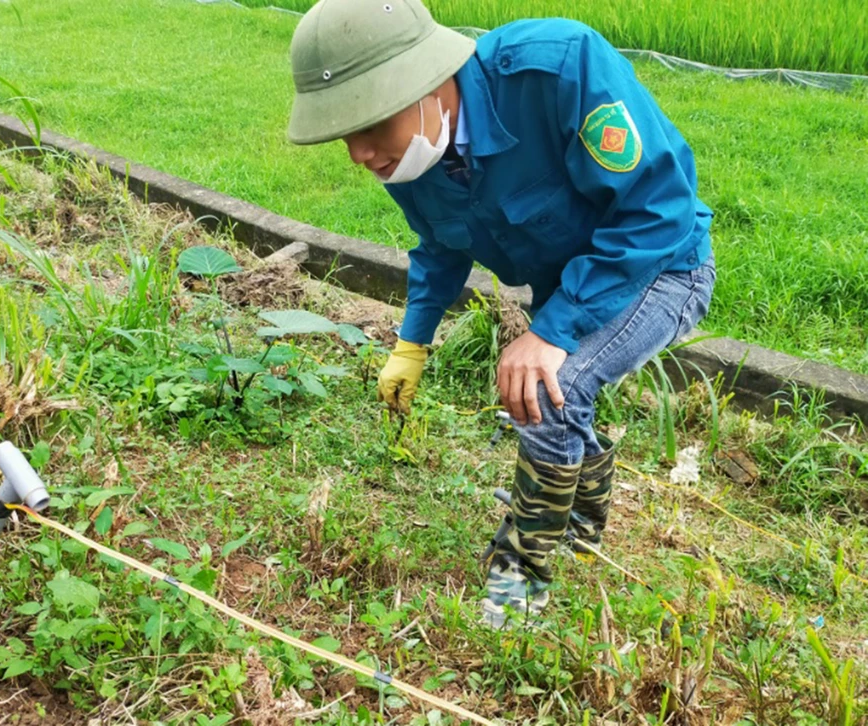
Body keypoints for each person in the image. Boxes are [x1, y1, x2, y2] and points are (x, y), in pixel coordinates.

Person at [287, 0, 716, 628]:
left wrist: (552, 330)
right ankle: (583, 521)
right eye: (344, 132)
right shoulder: (413, 152)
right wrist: (413, 342)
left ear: (426, 83)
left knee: (549, 385)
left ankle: (519, 578)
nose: (359, 152)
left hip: (661, 265)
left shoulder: (556, 70)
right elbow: (439, 247)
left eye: (369, 122)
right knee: (557, 393)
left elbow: (659, 207)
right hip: (570, 284)